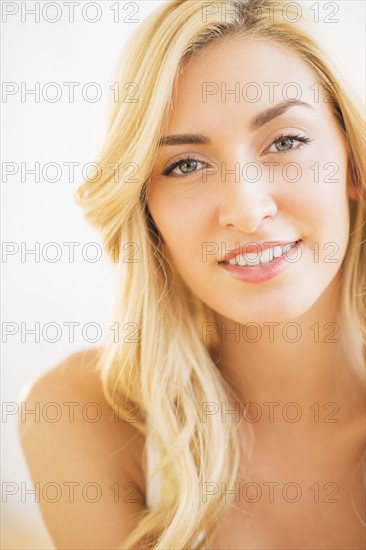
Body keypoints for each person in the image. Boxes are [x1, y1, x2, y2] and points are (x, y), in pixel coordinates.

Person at [19, 0, 365, 548]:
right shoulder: (85, 415)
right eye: (185, 165)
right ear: (146, 210)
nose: (247, 210)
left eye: (286, 141)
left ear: (351, 162)